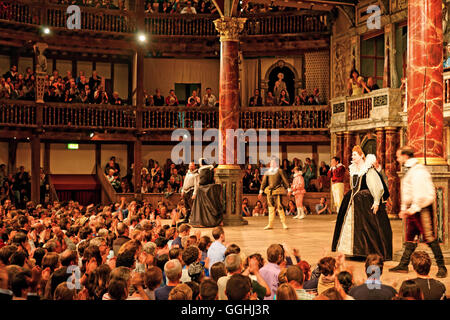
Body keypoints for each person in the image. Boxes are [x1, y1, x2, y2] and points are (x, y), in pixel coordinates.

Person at [390, 146, 448, 278]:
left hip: (422, 209)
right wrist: (405, 208)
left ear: (405, 156)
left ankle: (442, 267)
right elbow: (407, 191)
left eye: (399, 156)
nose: (397, 159)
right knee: (410, 237)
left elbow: (419, 193)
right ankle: (403, 265)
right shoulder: (409, 170)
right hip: (413, 209)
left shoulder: (418, 170)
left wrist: (411, 210)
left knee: (429, 237)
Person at [331, 146, 392, 260]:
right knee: (352, 226)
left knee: (368, 229)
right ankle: (355, 250)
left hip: (365, 201)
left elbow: (377, 186)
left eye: (355, 155)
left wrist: (376, 202)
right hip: (353, 201)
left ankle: (368, 251)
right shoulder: (354, 169)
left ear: (361, 155)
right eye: (352, 154)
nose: (352, 157)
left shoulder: (368, 169)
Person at [189, 158, 224, 228]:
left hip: (204, 190)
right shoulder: (209, 169)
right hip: (210, 188)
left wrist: (199, 184)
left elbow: (203, 181)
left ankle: (202, 222)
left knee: (200, 206)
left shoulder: (203, 170)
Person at [258, 158, 291, 230]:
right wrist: (260, 191)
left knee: (279, 206)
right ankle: (270, 224)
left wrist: (289, 189)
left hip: (277, 190)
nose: (272, 164)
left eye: (273, 163)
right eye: (271, 163)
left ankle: (284, 223)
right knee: (270, 207)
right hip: (269, 191)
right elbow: (263, 183)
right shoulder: (267, 172)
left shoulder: (280, 171)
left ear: (276, 163)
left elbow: (285, 180)